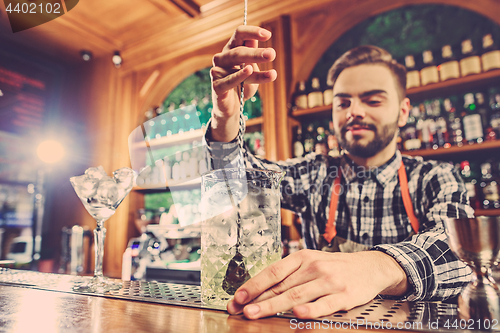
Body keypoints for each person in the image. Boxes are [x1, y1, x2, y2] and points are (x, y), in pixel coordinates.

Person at [204, 25, 473, 320]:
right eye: (343, 102)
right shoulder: (315, 173)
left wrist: (377, 267)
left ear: (404, 111)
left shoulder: (435, 177)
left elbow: (462, 252)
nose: (354, 111)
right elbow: (236, 180)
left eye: (373, 100)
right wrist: (225, 115)